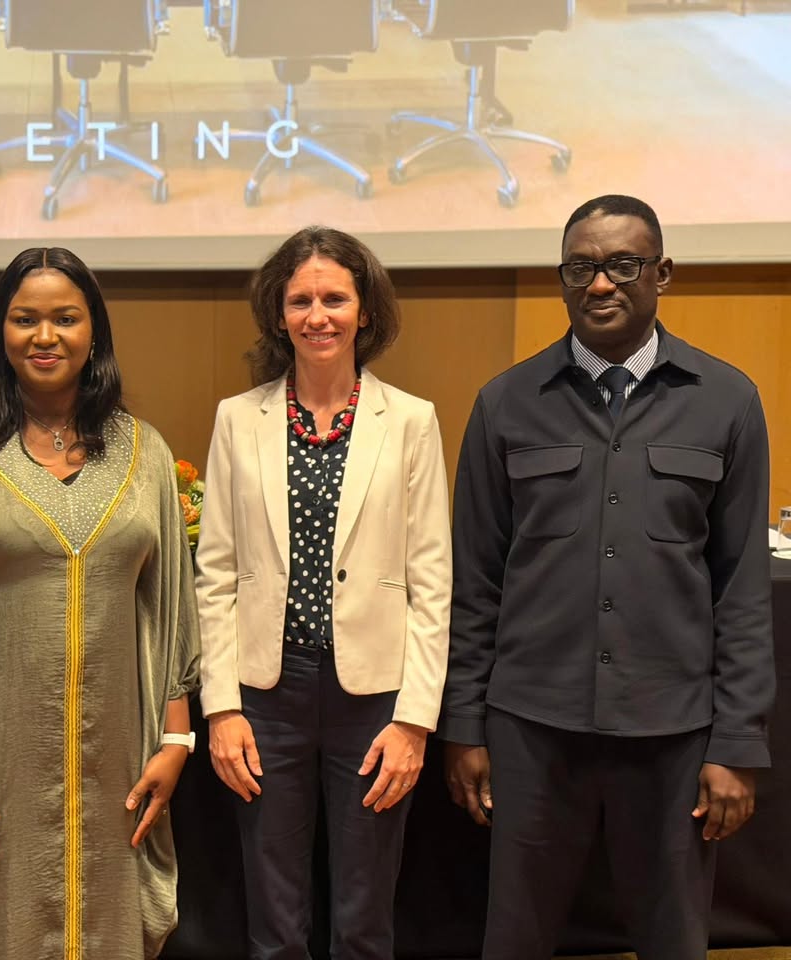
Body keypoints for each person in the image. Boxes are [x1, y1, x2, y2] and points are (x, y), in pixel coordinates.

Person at [442, 194, 774, 959]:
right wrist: (465, 724)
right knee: (515, 938)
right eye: (581, 267)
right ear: (563, 280)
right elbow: (477, 583)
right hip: (531, 727)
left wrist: (737, 744)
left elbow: (742, 590)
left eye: (623, 265)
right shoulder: (505, 404)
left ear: (662, 274)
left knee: (672, 939)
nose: (600, 284)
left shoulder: (728, 402)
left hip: (675, 732)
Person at [0, 247, 201, 959]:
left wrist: (177, 742)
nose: (45, 336)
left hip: (119, 763)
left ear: (95, 333)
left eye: (65, 318)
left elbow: (170, 606)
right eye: (25, 319)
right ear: (1, 331)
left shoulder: (142, 453)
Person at [194, 226, 452, 959]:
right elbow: (215, 574)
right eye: (300, 300)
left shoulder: (410, 421)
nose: (318, 316)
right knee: (273, 922)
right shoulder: (237, 419)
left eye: (335, 298)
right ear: (278, 314)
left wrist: (415, 721)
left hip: (374, 699)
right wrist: (222, 708)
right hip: (265, 695)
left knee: (364, 920)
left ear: (364, 310)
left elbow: (433, 582)